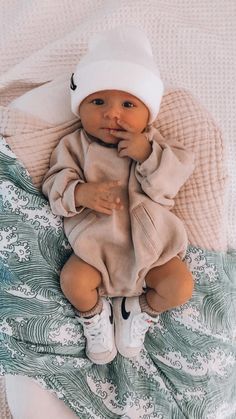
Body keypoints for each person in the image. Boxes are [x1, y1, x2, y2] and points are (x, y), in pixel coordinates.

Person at [42, 26, 195, 365]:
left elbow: (172, 182)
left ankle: (138, 309)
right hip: (95, 253)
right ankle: (95, 316)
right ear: (79, 108)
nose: (113, 113)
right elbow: (54, 185)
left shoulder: (158, 147)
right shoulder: (74, 147)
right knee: (73, 281)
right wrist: (80, 192)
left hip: (153, 255)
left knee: (181, 286)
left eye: (128, 104)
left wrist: (148, 155)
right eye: (98, 102)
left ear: (147, 114)